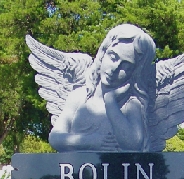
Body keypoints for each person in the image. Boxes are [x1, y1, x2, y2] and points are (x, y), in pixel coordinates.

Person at [49, 24, 156, 152]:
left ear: (134, 72)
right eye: (113, 57)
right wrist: (91, 141)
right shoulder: (79, 97)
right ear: (103, 54)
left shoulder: (131, 104)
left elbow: (133, 145)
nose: (115, 68)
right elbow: (55, 138)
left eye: (126, 66)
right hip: (77, 165)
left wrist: (111, 103)